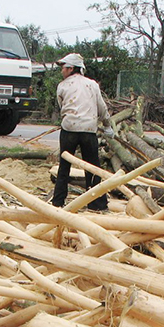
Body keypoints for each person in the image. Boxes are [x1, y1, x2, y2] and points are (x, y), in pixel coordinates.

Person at [51, 53, 114, 211]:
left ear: (71, 68)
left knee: (64, 166)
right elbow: (102, 108)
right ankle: (97, 204)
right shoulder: (92, 85)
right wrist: (107, 126)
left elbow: (62, 107)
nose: (62, 71)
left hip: (69, 129)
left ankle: (58, 202)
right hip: (88, 130)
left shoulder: (63, 86)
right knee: (92, 167)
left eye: (64, 68)